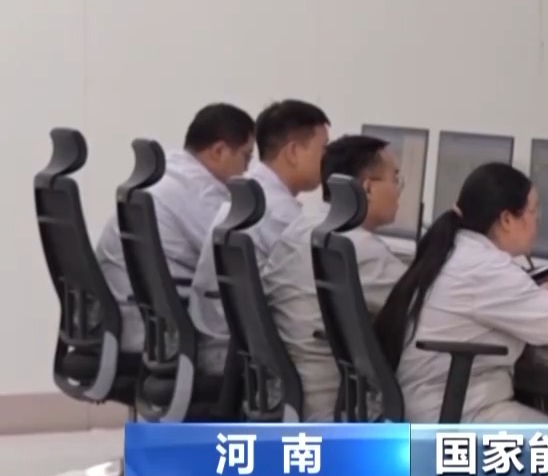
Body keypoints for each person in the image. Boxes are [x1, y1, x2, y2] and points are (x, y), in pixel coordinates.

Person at [375, 162, 548, 422]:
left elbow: (494, 300)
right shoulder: (485, 267)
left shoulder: (458, 251)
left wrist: (534, 295)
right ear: (507, 219)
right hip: (455, 415)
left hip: (431, 408)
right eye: (533, 211)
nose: (538, 220)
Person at [262, 134, 412, 421]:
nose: (399, 190)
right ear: (367, 187)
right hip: (333, 403)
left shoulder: (301, 227)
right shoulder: (355, 246)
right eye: (395, 179)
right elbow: (426, 306)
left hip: (285, 393)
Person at [94, 103, 255, 353]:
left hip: (120, 319)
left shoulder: (168, 173)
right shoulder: (198, 192)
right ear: (219, 150)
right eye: (246, 156)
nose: (246, 170)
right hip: (155, 332)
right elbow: (237, 260)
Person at [188, 99, 331, 373]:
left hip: (222, 349)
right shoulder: (281, 217)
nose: (328, 159)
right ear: (293, 152)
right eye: (323, 148)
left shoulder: (250, 195)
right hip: (238, 362)